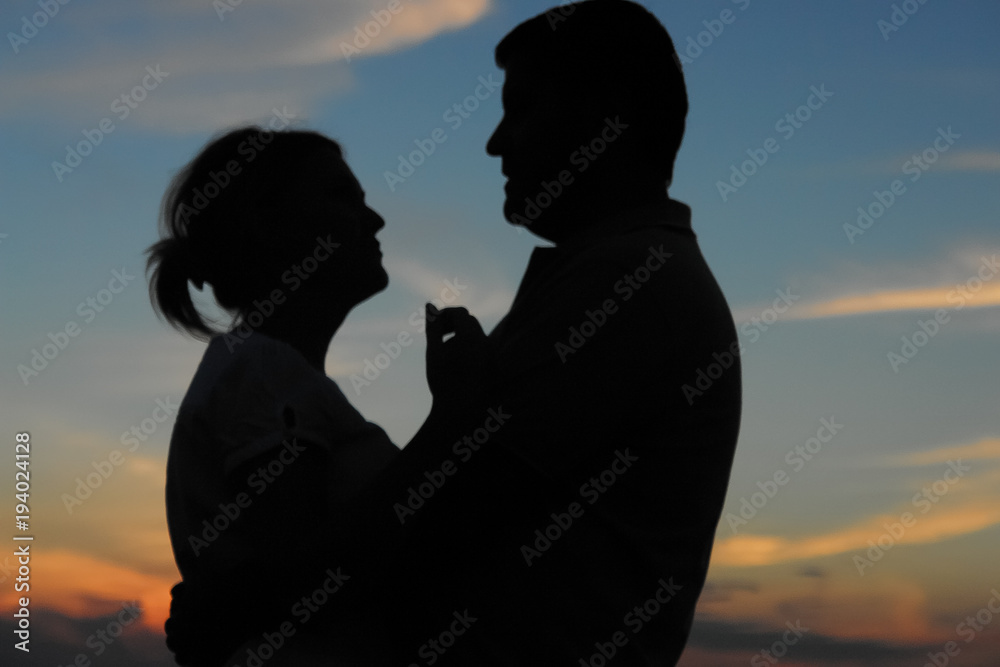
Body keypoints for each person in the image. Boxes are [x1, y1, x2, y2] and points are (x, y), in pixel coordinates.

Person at [149, 127, 491, 665]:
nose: (374, 220)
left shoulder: (272, 374)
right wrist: (452, 424)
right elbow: (304, 580)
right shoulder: (262, 368)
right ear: (264, 225)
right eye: (339, 196)